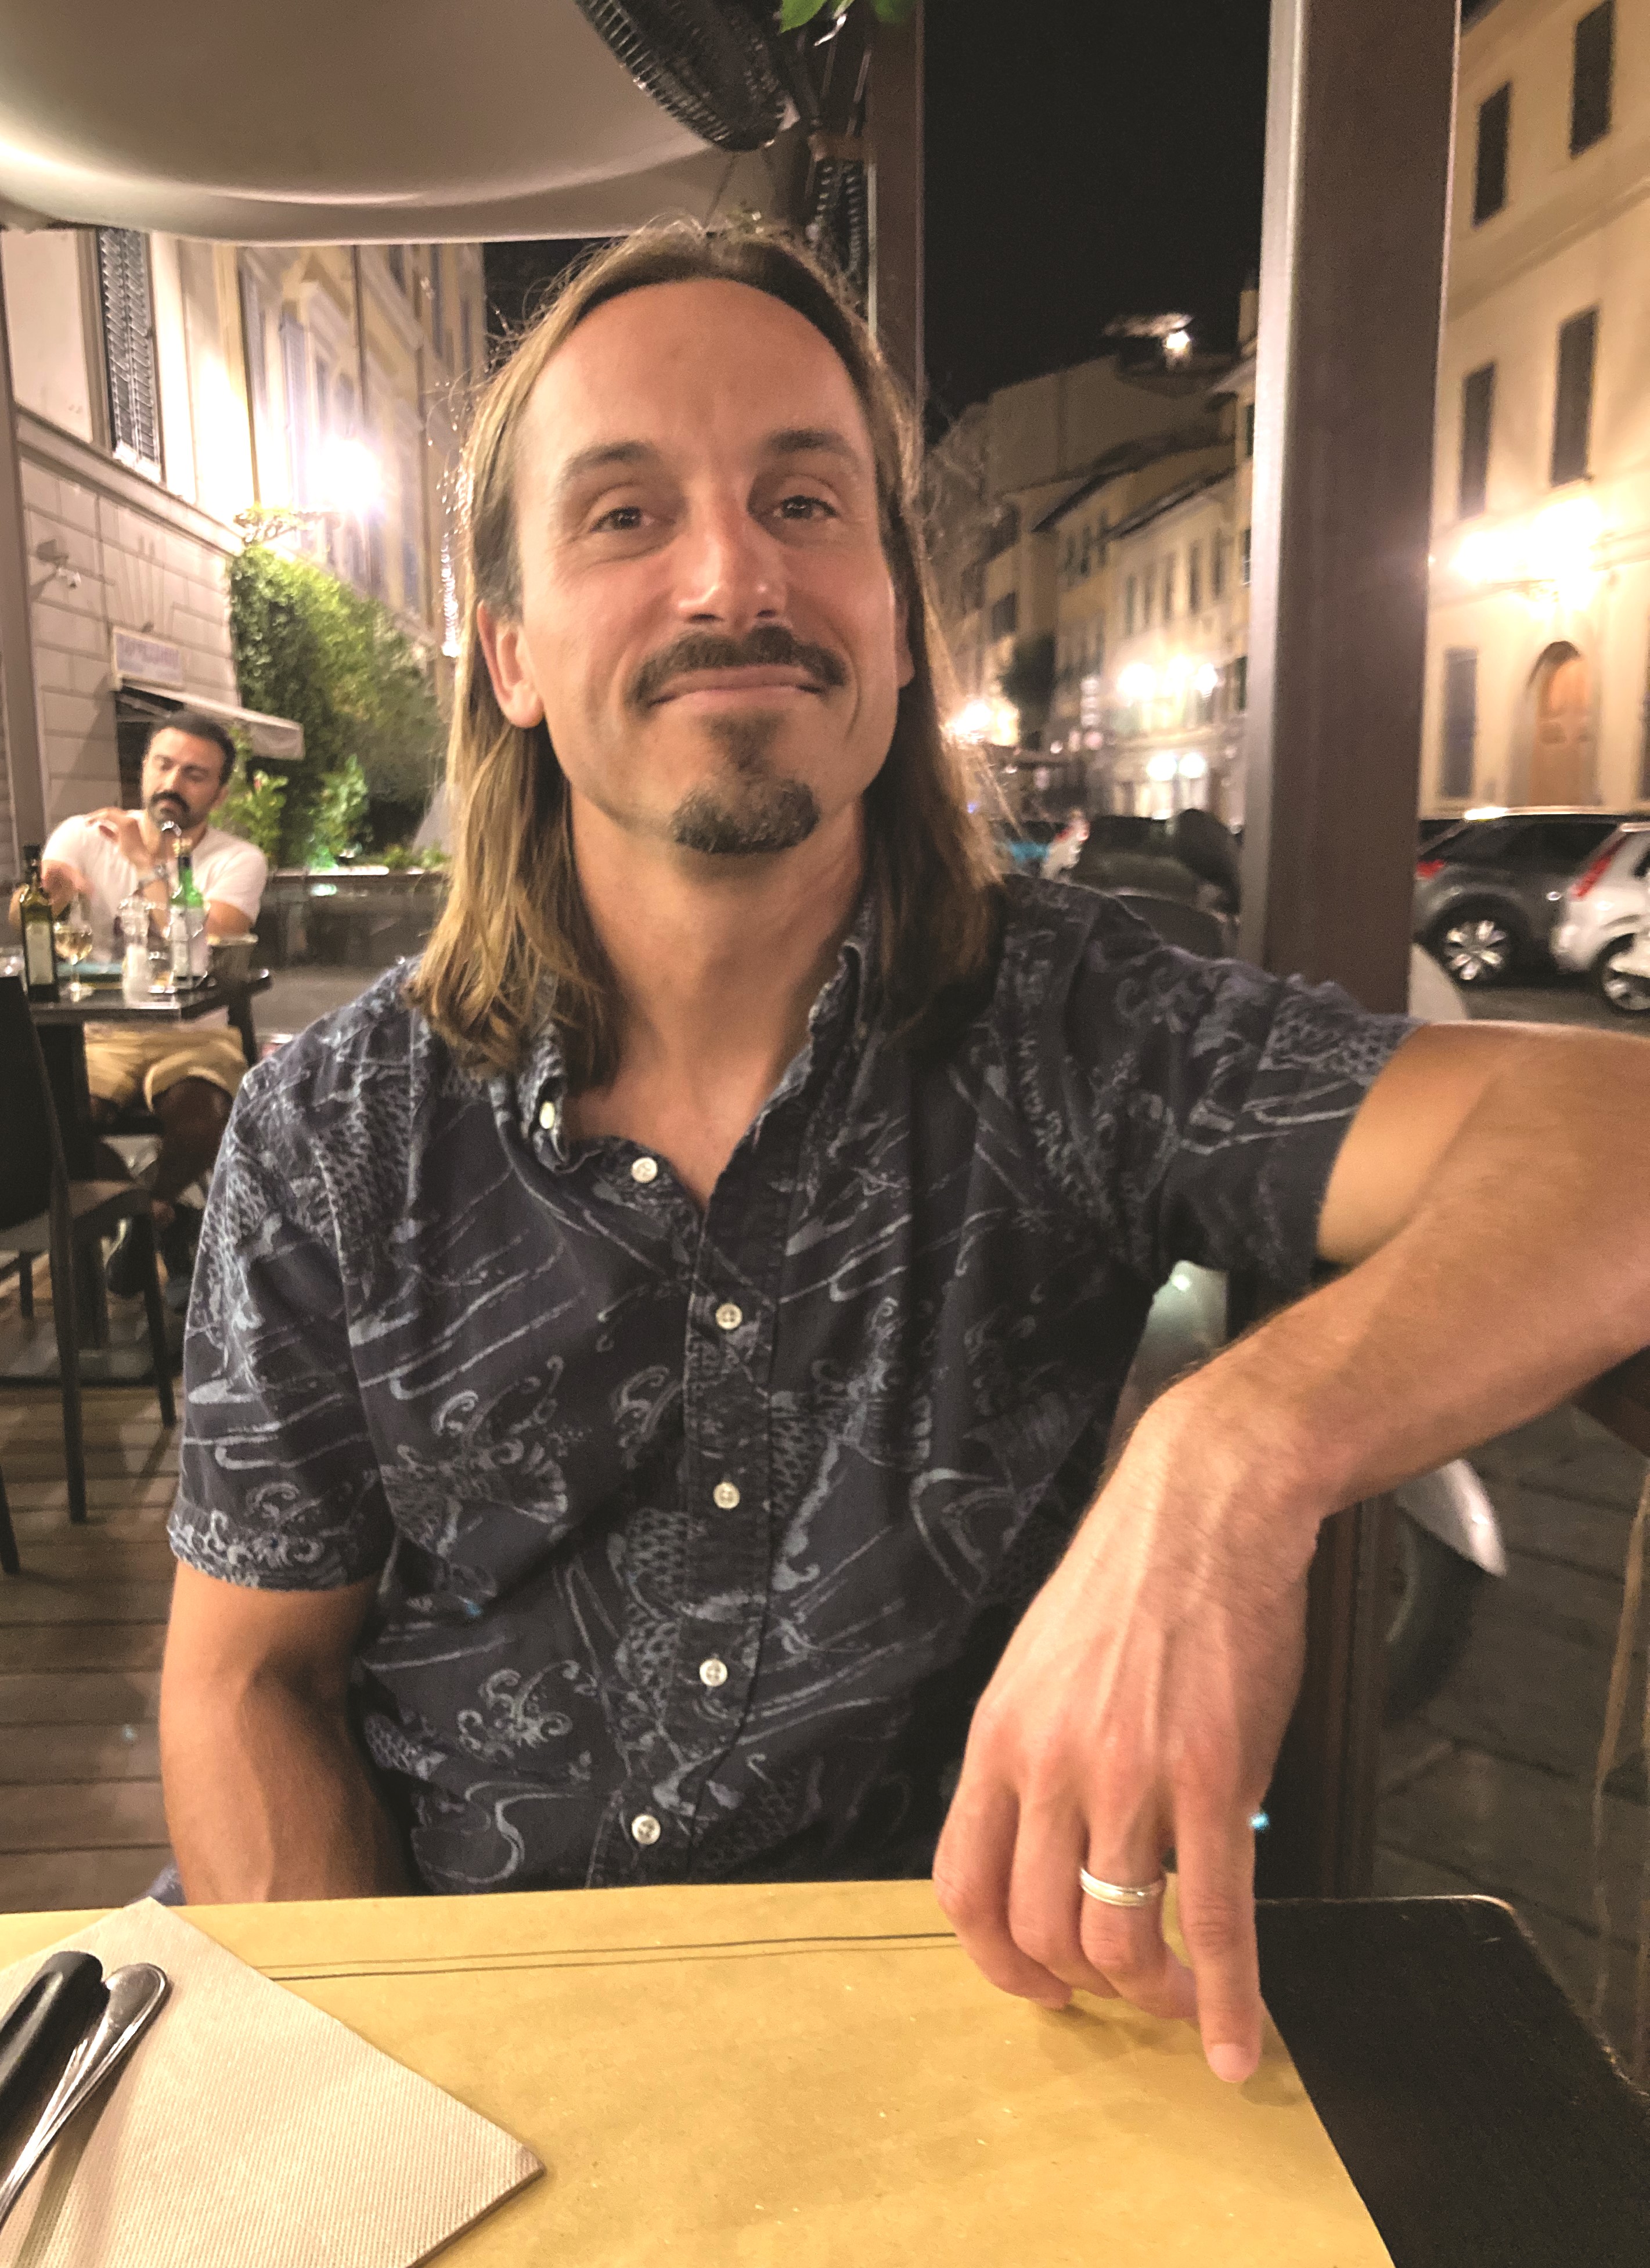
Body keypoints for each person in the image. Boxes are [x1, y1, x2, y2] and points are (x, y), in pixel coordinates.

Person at [159, 222, 1650, 2090]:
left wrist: (1229, 1458)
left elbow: (1611, 1131)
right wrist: (363, 2105)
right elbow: (246, 1678)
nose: (731, 577)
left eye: (803, 500)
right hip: (468, 2033)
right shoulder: (331, 1131)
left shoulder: (1086, 1031)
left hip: (940, 2042)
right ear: (510, 652)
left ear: (886, 610)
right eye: (624, 517)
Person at [14, 712, 268, 1287]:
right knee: (59, 1124)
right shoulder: (84, 834)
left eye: (195, 774)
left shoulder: (237, 859)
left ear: (220, 794)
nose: (173, 782)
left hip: (193, 1032)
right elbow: (28, 913)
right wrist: (44, 894)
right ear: (144, 771)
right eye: (164, 764)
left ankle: (141, 1213)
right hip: (98, 1034)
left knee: (203, 1121)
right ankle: (148, 1212)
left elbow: (210, 942)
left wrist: (145, 864)